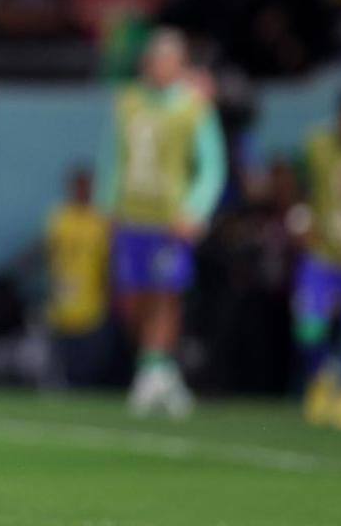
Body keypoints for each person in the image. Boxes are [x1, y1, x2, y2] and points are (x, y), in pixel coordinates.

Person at [98, 29, 227, 417]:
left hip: (170, 218)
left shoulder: (193, 107)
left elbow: (211, 165)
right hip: (132, 214)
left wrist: (195, 210)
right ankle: (160, 368)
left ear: (181, 65)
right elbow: (112, 154)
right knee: (133, 299)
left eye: (169, 60)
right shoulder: (129, 103)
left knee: (165, 294)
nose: (160, 67)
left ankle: (152, 371)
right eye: (155, 59)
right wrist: (106, 202)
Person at [293, 89, 341, 429]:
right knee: (309, 324)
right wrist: (302, 217)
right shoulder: (317, 145)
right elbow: (300, 183)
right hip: (321, 253)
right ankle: (319, 382)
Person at [43, 166, 114, 386]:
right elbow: (46, 252)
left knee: (89, 370)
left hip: (92, 309)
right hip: (61, 308)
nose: (83, 191)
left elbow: (110, 262)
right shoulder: (60, 218)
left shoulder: (101, 221)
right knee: (64, 371)